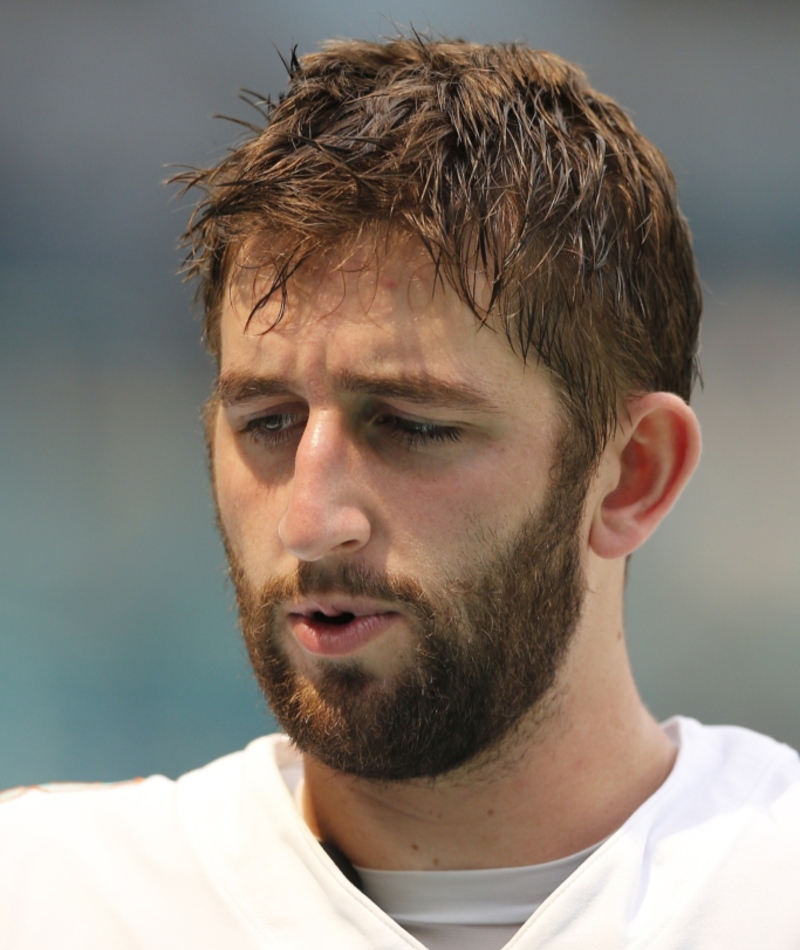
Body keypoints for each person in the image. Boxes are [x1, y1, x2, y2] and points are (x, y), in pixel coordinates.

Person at [2, 34, 799, 950]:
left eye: (414, 428)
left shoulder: (773, 889)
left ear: (633, 475)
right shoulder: (41, 898)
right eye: (267, 420)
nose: (310, 523)